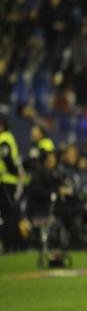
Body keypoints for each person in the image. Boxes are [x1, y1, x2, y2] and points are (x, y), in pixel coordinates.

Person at [0, 105, 26, 252]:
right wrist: (18, 172)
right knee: (11, 214)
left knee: (9, 214)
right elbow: (11, 160)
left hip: (6, 182)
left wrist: (16, 172)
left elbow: (8, 159)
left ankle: (10, 244)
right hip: (9, 182)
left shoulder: (4, 139)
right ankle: (12, 245)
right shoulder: (7, 138)